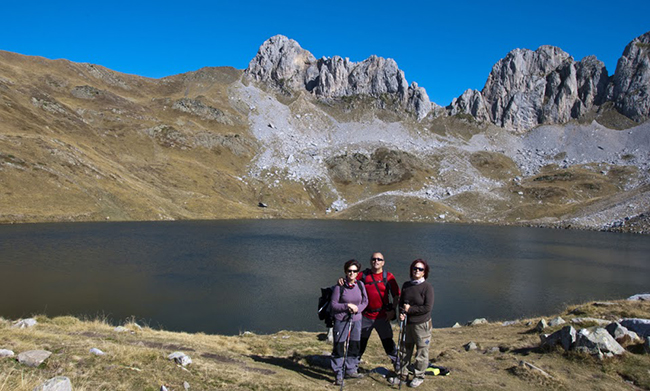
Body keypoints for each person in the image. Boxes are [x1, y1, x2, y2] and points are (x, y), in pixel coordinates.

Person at [391, 259, 434, 388]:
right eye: (415, 268)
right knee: (405, 350)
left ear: (424, 272)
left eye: (420, 269)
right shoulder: (406, 285)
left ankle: (419, 376)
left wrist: (411, 310)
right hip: (407, 323)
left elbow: (427, 308)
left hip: (421, 325)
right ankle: (402, 375)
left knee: (421, 351)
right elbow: (401, 302)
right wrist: (402, 312)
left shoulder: (427, 287)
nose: (417, 271)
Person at [356, 252, 400, 367]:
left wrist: (393, 310)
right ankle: (352, 366)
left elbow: (397, 295)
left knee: (388, 343)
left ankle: (398, 366)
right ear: (371, 261)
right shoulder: (362, 276)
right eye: (374, 259)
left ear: (383, 262)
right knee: (360, 343)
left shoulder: (388, 277)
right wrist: (341, 280)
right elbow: (350, 281)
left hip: (383, 316)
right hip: (365, 316)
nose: (376, 261)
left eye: (379, 259)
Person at [330, 259, 368, 385]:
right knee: (339, 346)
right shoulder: (339, 287)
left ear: (358, 272)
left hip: (356, 320)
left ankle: (351, 369)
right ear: (345, 272)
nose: (352, 273)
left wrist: (358, 309)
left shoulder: (360, 285)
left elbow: (365, 302)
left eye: (355, 271)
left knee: (354, 345)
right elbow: (334, 305)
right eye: (349, 271)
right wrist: (347, 306)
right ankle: (338, 373)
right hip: (341, 320)